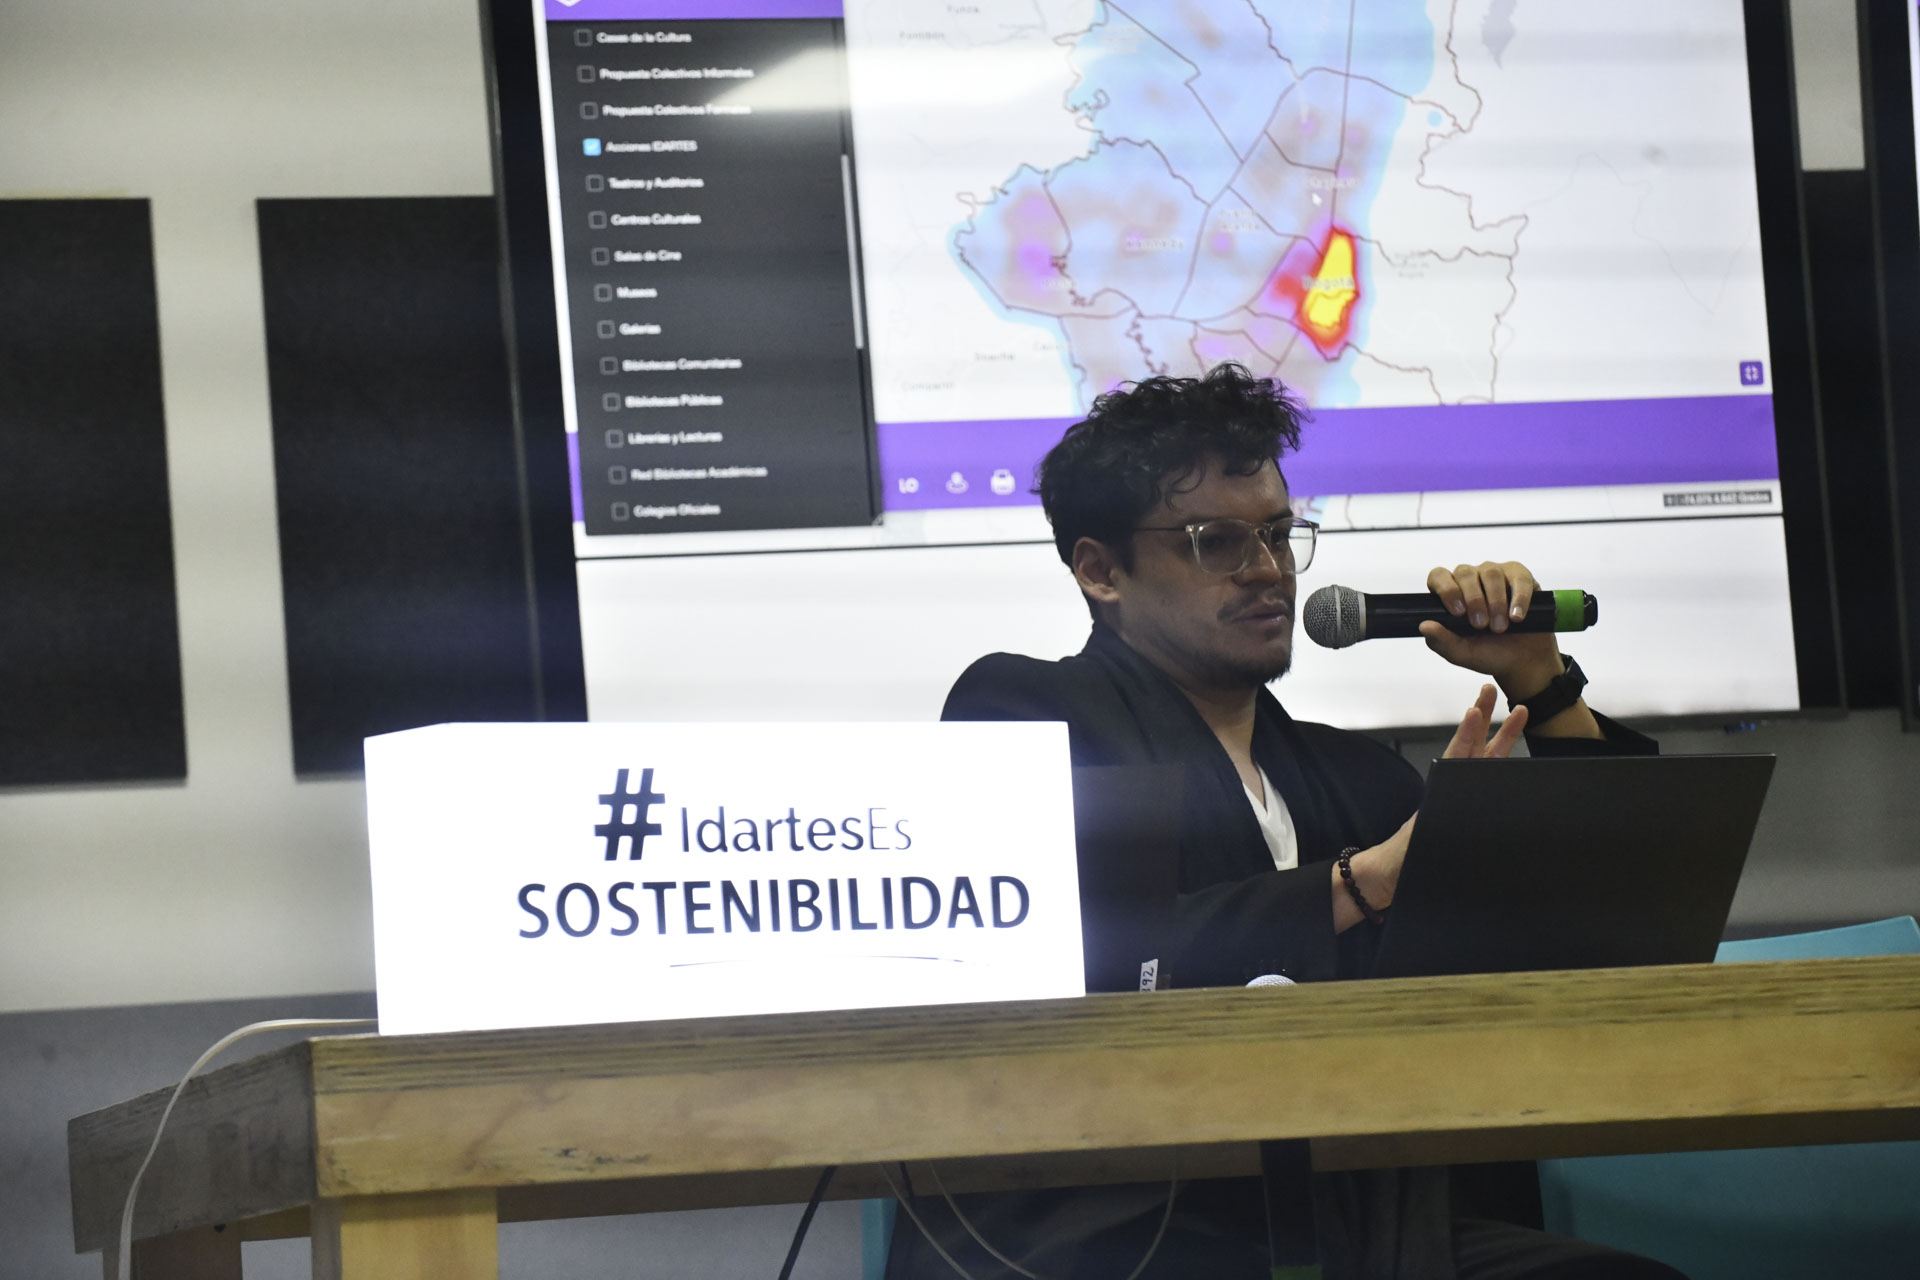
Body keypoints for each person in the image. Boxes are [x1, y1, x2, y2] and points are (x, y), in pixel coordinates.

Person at [885, 364, 1681, 1279]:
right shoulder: (1026, 711)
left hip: (1354, 1227)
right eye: (1215, 542)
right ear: (1101, 571)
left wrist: (1542, 683)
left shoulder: (1355, 777)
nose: (1266, 570)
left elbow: (1612, 930)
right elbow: (1084, 960)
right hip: (1111, 1229)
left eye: (1275, 533)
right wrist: (1361, 884)